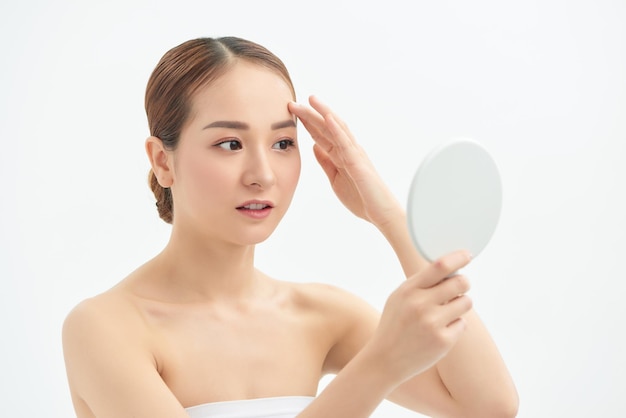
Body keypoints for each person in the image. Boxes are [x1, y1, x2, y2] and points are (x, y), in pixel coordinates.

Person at [62, 36, 518, 418]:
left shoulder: (321, 316)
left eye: (283, 142)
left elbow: (490, 405)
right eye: (230, 143)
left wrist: (389, 217)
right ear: (163, 160)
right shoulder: (105, 328)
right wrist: (380, 365)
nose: (263, 173)